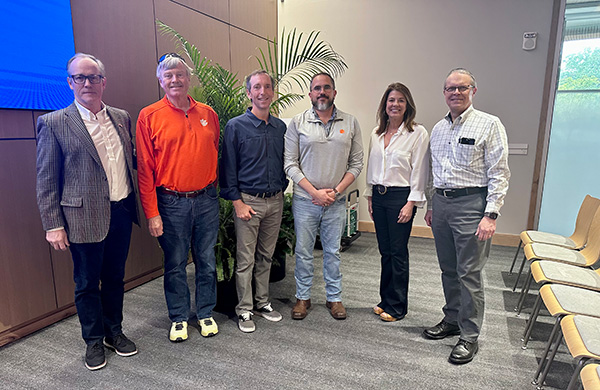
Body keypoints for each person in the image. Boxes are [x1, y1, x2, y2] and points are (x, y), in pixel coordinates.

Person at [36, 53, 139, 370]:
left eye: (93, 77)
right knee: (86, 283)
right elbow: (46, 178)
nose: (87, 83)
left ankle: (114, 332)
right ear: (69, 82)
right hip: (82, 218)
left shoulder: (121, 117)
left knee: (115, 278)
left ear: (104, 82)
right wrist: (53, 224)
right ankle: (93, 342)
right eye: (79, 77)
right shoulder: (53, 123)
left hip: (121, 211)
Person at [423, 68, 510, 364]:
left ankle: (469, 335)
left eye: (462, 88)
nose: (455, 93)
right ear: (444, 92)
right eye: (450, 88)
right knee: (448, 269)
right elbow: (434, 172)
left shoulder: (489, 124)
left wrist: (491, 214)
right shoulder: (438, 128)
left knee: (469, 273)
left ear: (473, 90)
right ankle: (451, 320)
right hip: (443, 205)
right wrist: (432, 207)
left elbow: (499, 172)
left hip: (473, 206)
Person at [136, 53, 220, 342]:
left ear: (188, 78)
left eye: (180, 74)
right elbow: (145, 169)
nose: (175, 79)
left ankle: (206, 311)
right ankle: (179, 317)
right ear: (160, 80)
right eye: (168, 75)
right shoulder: (148, 116)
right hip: (170, 204)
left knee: (207, 260)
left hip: (207, 200)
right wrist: (151, 212)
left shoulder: (208, 114)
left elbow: (214, 152)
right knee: (174, 264)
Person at [284, 73, 364, 320]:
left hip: (336, 200)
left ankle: (334, 298)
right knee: (304, 250)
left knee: (332, 251)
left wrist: (336, 192)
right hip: (305, 200)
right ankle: (303, 297)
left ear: (334, 92)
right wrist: (314, 192)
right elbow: (290, 164)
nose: (322, 92)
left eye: (326, 88)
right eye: (317, 88)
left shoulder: (350, 123)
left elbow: (357, 163)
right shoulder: (297, 123)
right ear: (310, 94)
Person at [220, 70, 288, 333]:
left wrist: (282, 189)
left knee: (266, 256)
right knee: (245, 259)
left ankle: (262, 302)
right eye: (257, 87)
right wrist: (237, 201)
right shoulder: (236, 126)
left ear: (273, 92)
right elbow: (228, 168)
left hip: (275, 201)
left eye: (267, 87)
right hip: (248, 202)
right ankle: (244, 309)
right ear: (249, 93)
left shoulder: (280, 127)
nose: (263, 92)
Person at [365, 83, 430, 322]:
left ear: (407, 105)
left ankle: (398, 306)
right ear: (385, 105)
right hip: (379, 197)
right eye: (391, 100)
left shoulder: (417, 133)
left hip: (401, 198)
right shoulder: (376, 133)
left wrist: (411, 203)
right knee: (385, 252)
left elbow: (420, 170)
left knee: (398, 252)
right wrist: (370, 195)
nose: (395, 104)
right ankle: (385, 300)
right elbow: (372, 167)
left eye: (401, 100)